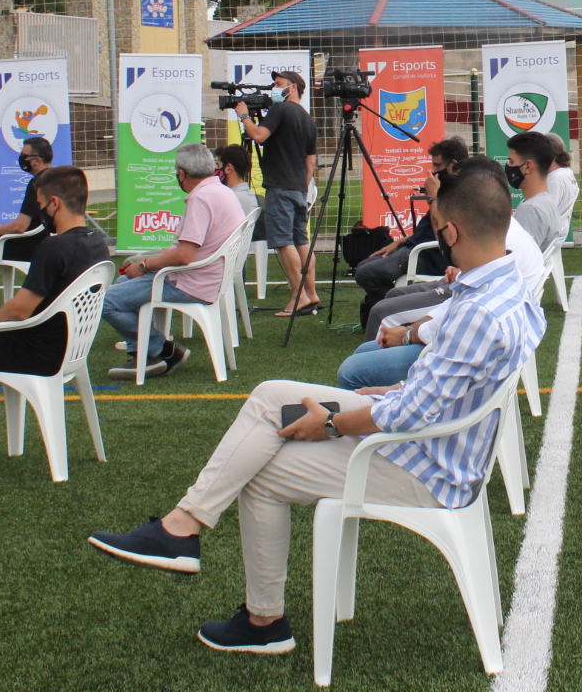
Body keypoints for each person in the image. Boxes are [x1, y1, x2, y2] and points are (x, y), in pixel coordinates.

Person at [84, 169, 544, 655]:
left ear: (450, 231)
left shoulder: (477, 309)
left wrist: (330, 424)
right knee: (268, 396)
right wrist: (369, 400)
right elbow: (436, 391)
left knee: (260, 474)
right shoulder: (507, 287)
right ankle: (183, 528)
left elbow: (407, 415)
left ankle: (261, 618)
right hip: (440, 444)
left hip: (427, 466)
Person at [337, 161, 548, 392]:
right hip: (463, 364)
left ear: (452, 231)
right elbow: (455, 309)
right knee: (364, 352)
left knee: (352, 370)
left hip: (442, 398)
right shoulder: (500, 269)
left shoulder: (482, 305)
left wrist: (407, 338)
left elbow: (422, 400)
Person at [0, 165, 111, 462]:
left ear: (54, 204)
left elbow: (20, 309)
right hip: (72, 348)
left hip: (40, 352)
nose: (41, 211)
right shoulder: (98, 244)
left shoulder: (53, 247)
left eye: (41, 205)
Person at [100, 142, 245, 379]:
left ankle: (164, 350)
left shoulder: (200, 198)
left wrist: (144, 265)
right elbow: (188, 250)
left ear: (181, 173)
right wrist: (150, 262)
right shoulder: (223, 192)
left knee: (105, 302)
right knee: (121, 285)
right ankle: (146, 355)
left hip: (191, 282)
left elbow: (183, 256)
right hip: (208, 278)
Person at [356, 156, 536, 343]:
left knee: (381, 311)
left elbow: (444, 237)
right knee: (391, 293)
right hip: (462, 285)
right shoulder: (494, 223)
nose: (435, 174)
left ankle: (370, 360)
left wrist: (408, 336)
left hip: (460, 290)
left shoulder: (497, 236)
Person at [234, 70, 319, 317]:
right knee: (301, 240)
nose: (274, 87)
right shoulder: (307, 118)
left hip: (280, 186)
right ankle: (311, 293)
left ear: (293, 87)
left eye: (278, 84)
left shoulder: (281, 109)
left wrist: (244, 117)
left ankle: (299, 296)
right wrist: (302, 187)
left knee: (283, 241)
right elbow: (310, 162)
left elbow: (259, 136)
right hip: (298, 188)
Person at [352, 138, 468, 309]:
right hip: (416, 246)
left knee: (364, 274)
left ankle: (400, 307)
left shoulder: (459, 193)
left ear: (453, 165)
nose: (432, 171)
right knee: (362, 265)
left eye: (437, 166)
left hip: (430, 256)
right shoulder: (446, 187)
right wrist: (402, 240)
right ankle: (394, 305)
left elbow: (442, 236)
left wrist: (433, 197)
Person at [0, 136, 52, 263]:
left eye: (24, 156)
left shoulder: (37, 183)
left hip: (29, 247)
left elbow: (19, 227)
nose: (21, 159)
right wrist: (1, 230)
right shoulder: (57, 179)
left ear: (36, 160)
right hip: (43, 243)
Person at [508, 130, 568, 251]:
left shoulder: (532, 209)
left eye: (511, 161)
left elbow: (520, 260)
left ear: (528, 167)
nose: (508, 166)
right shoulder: (545, 202)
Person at [218, 143, 260, 225]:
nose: (216, 170)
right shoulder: (249, 196)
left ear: (228, 168)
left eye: (218, 165)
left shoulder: (228, 198)